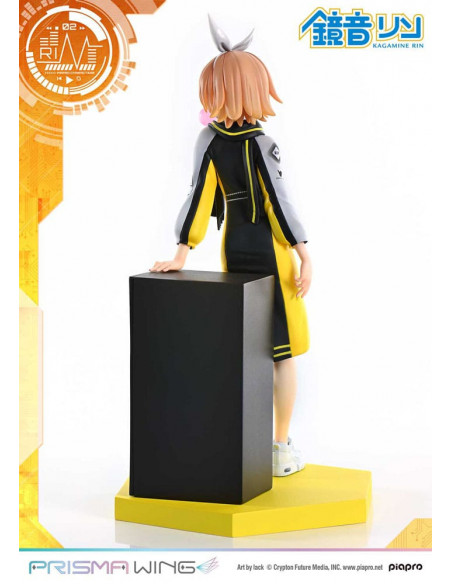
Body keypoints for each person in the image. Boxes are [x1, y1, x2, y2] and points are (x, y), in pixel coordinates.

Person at [150, 16, 312, 477]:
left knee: (249, 348)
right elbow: (278, 201)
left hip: (233, 247)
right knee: (281, 353)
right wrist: (303, 251)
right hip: (270, 251)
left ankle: (255, 445)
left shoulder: (210, 141)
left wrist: (182, 250)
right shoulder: (261, 142)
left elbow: (198, 196)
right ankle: (278, 447)